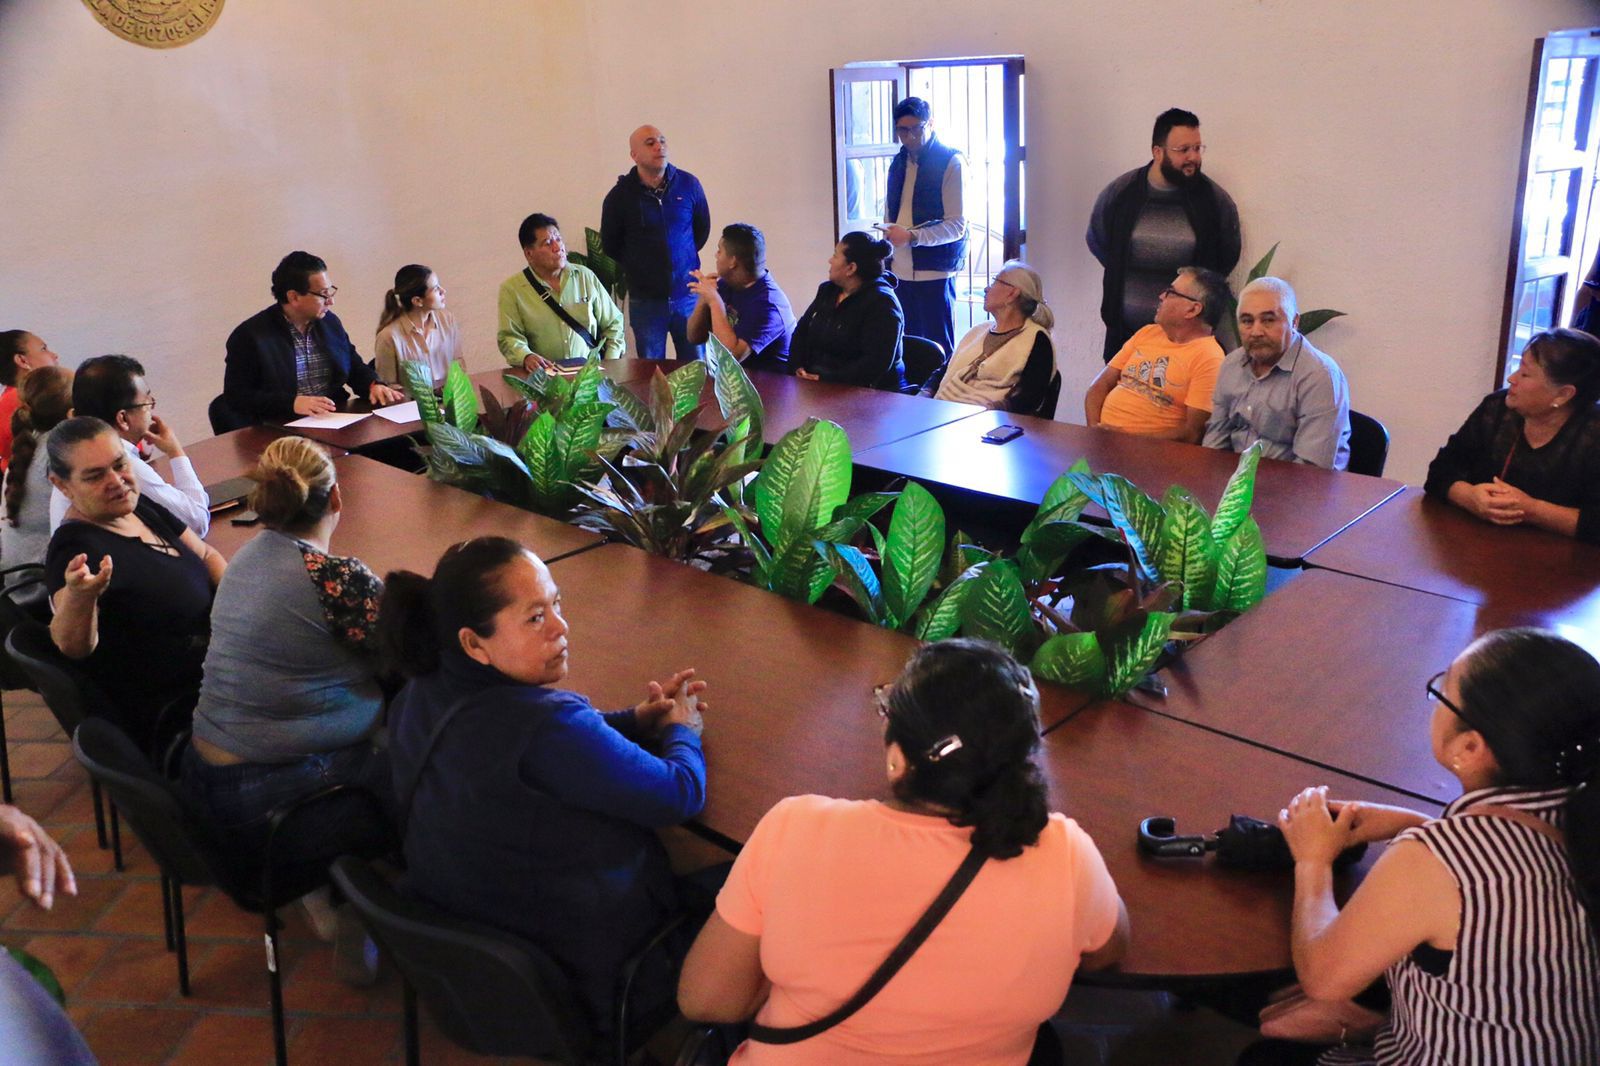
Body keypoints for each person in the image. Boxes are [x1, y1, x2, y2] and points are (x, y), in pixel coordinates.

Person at [678, 639, 1127, 1065]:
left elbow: (706, 1000)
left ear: (898, 759)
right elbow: (1107, 951)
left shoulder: (796, 827)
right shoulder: (1066, 853)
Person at [382, 537, 708, 1035]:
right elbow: (680, 793)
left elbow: (559, 744)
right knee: (753, 882)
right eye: (535, 618)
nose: (561, 626)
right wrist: (684, 728)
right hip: (590, 976)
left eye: (556, 603)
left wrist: (638, 721)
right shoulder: (547, 727)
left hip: (487, 960)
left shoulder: (419, 693)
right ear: (475, 643)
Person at [1263, 628, 1600, 1065]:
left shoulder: (1443, 859)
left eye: (1442, 692)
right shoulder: (1581, 806)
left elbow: (1324, 979)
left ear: (1469, 746)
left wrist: (1313, 860)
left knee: (1266, 1052)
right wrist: (1415, 824)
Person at [182, 437, 391, 871]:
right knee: (431, 764)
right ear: (336, 495)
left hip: (202, 776)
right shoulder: (336, 578)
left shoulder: (244, 557)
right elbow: (409, 651)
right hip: (266, 801)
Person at [44, 417, 226, 754]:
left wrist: (239, 608)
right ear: (63, 485)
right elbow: (73, 647)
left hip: (224, 672)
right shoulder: (74, 550)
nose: (116, 481)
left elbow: (206, 553)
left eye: (119, 465)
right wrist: (81, 597)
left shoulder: (137, 506)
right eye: (95, 476)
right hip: (186, 716)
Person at [1087, 108, 1241, 363]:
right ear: (1157, 152)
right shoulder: (1121, 193)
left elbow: (1224, 261)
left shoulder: (1215, 202)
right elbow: (1100, 243)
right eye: (1183, 150)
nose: (1193, 157)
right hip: (1125, 341)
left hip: (1186, 346)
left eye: (1198, 148)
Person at [1423, 328, 1600, 542]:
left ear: (1563, 394)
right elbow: (1440, 471)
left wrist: (1533, 510)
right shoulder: (1496, 409)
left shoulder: (1593, 434)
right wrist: (1469, 497)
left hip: (1567, 564)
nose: (1511, 378)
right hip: (1479, 552)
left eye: (1525, 374)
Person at [222, 251, 405, 426]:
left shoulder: (329, 323)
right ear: (293, 297)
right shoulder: (250, 336)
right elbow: (238, 397)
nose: (330, 301)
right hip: (280, 427)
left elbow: (353, 365)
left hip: (334, 420)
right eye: (323, 294)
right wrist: (292, 403)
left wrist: (373, 384)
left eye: (330, 291)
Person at [49, 354, 210, 538]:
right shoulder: (119, 465)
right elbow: (197, 523)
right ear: (123, 419)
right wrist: (176, 452)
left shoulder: (76, 457)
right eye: (147, 402)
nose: (151, 409)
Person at [1204, 277, 1351, 469]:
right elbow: (1215, 441)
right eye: (1247, 321)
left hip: (1298, 489)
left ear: (1294, 322)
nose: (1256, 331)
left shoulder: (1319, 376)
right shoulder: (1231, 364)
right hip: (1236, 487)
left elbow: (1310, 470)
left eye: (1268, 320)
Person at [600, 125, 711, 360]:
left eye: (662, 141)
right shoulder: (619, 197)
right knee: (652, 374)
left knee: (698, 369)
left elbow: (700, 231)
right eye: (650, 143)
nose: (659, 146)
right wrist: (640, 266)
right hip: (646, 301)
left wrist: (681, 260)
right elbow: (610, 245)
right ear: (634, 155)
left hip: (687, 295)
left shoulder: (689, 185)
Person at [1084, 266, 1230, 442]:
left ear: (1193, 310)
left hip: (1150, 456)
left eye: (1171, 293)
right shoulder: (1148, 332)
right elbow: (1099, 385)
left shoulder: (1210, 358)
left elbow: (1192, 433)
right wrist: (1095, 431)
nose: (1161, 296)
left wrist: (1126, 440)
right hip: (1102, 442)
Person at [881, 97, 967, 360]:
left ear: (930, 123)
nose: (909, 137)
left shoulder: (951, 161)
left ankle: (940, 399)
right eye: (902, 131)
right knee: (904, 348)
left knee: (937, 351)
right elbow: (891, 212)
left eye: (916, 128)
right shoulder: (898, 162)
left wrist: (912, 237)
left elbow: (957, 225)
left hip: (935, 272)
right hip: (899, 270)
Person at [498, 213, 626, 372]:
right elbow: (509, 337)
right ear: (529, 254)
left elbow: (614, 323)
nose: (557, 247)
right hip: (544, 381)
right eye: (548, 243)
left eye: (558, 239)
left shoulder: (584, 277)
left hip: (589, 375)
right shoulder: (512, 290)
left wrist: (610, 363)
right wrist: (526, 356)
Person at [922, 260, 1056, 412]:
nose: (986, 289)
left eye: (994, 282)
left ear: (1012, 293)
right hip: (942, 412)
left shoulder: (1036, 338)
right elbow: (944, 371)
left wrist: (990, 411)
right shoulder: (977, 331)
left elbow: (1030, 398)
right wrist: (924, 394)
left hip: (989, 422)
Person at [789, 232, 906, 391]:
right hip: (817, 384)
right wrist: (798, 366)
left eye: (835, 256)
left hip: (867, 393)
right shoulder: (827, 291)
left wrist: (825, 379)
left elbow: (875, 363)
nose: (830, 260)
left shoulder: (882, 303)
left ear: (851, 268)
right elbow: (801, 332)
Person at [1, 366, 72, 608]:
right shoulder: (60, 450)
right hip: (44, 595)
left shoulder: (30, 444)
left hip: (21, 589)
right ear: (73, 412)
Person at [687, 223, 796, 371]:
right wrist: (704, 298)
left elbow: (730, 359)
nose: (716, 256)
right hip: (729, 384)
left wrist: (714, 301)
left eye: (720, 251)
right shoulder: (726, 285)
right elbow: (694, 337)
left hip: (767, 389)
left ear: (733, 261)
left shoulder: (769, 305)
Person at [373, 264, 461, 386]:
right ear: (417, 301)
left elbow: (458, 362)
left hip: (450, 400)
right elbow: (389, 386)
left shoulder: (447, 319)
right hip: (411, 404)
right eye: (435, 289)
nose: (443, 291)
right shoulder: (388, 337)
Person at [0, 331, 61, 471]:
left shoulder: (8, 399)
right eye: (43, 349)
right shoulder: (27, 400)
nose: (54, 355)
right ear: (22, 361)